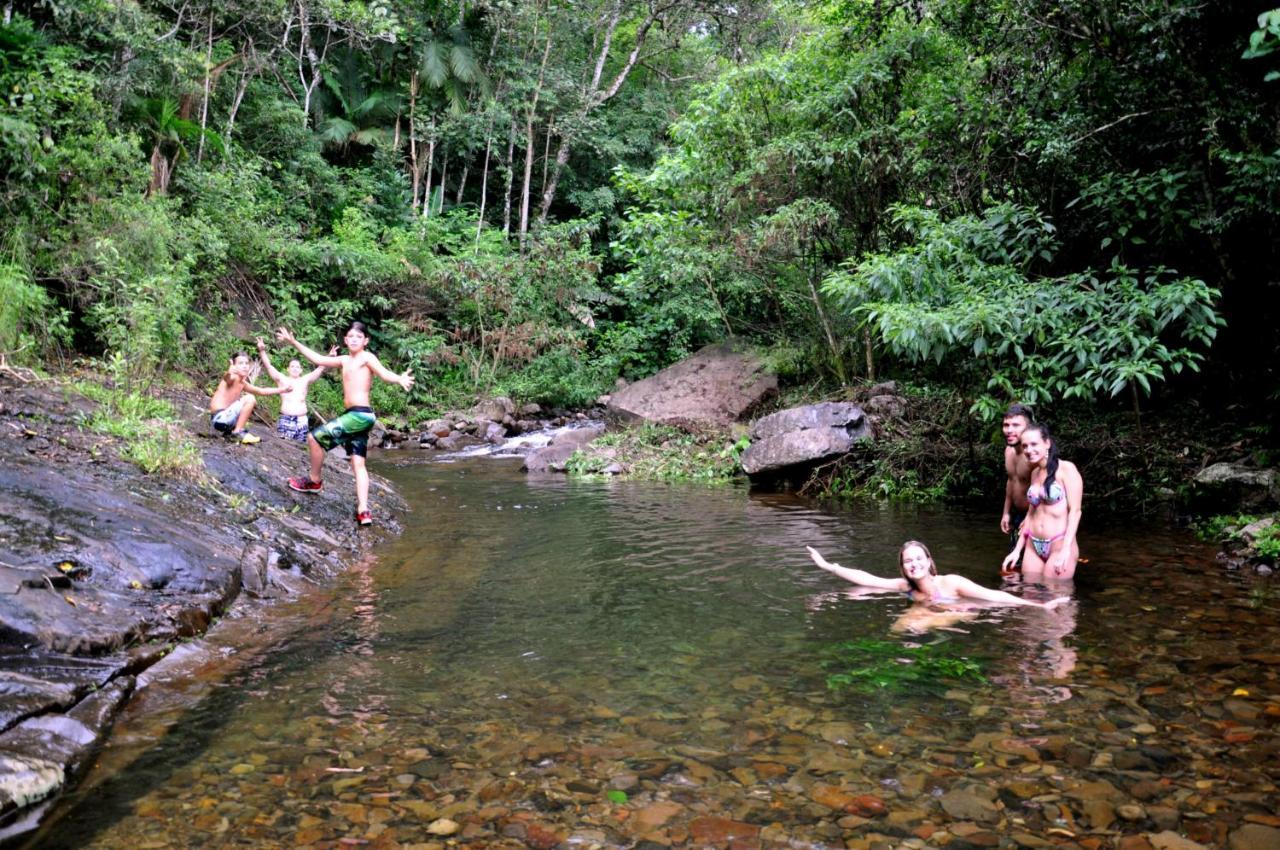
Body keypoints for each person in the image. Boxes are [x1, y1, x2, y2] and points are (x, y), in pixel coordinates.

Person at [276, 322, 414, 526]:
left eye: (359, 336)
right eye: (351, 336)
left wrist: (399, 378)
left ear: (366, 341)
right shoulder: (343, 360)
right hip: (358, 417)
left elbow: (384, 374)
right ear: (345, 340)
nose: (355, 339)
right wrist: (293, 341)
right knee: (358, 463)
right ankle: (363, 510)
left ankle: (314, 481)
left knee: (314, 438)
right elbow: (317, 359)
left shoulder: (367, 357)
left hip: (360, 415)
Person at [807, 542, 1068, 608]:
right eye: (908, 561)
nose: (914, 564)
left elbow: (995, 596)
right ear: (903, 567)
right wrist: (830, 567)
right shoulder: (904, 586)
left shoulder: (952, 582)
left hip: (957, 613)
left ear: (929, 561)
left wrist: (1037, 606)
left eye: (918, 558)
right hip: (932, 615)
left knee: (910, 625)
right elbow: (868, 579)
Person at [1002, 422, 1083, 580]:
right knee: (1030, 596)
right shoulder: (1035, 473)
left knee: (1057, 595)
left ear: (1047, 443)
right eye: (1025, 446)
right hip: (1033, 545)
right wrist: (1017, 550)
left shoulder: (1067, 469)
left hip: (1058, 544)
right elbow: (1031, 515)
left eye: (1034, 444)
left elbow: (1075, 511)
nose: (1028, 450)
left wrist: (1066, 549)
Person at [255, 337, 331, 442]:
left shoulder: (305, 379)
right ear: (288, 369)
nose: (295, 368)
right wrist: (262, 350)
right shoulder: (282, 379)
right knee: (284, 446)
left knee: (300, 448)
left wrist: (329, 357)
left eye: (297, 367)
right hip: (286, 418)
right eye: (292, 366)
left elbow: (320, 368)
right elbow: (269, 366)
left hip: (302, 420)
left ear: (301, 370)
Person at [208, 351, 287, 445]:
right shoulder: (233, 377)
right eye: (240, 363)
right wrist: (229, 372)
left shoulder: (243, 383)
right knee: (250, 398)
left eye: (246, 363)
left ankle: (231, 432)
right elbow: (227, 378)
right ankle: (237, 432)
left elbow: (261, 391)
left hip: (227, 419)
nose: (245, 366)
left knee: (248, 399)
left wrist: (283, 389)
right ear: (234, 365)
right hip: (220, 418)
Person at [999, 403, 1035, 571]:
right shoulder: (1008, 450)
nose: (1009, 430)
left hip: (1035, 517)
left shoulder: (1035, 455)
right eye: (1006, 425)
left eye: (1015, 425)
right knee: (1014, 566)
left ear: (1028, 428)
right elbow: (1011, 481)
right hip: (1017, 516)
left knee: (1031, 570)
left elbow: (1043, 488)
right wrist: (1006, 512)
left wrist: (1030, 517)